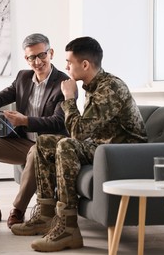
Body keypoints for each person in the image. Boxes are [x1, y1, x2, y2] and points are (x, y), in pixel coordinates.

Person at [11, 36, 147, 252]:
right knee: (44, 142)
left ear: (84, 64)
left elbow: (78, 132)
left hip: (124, 153)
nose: (65, 66)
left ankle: (68, 229)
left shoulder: (110, 88)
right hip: (105, 148)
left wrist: (68, 99)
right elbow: (84, 131)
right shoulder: (94, 86)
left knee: (66, 145)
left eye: (69, 62)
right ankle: (45, 216)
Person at [0, 33, 70, 228]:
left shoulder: (63, 83)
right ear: (26, 59)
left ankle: (18, 209)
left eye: (41, 55)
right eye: (31, 57)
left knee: (37, 151)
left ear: (51, 53)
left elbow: (58, 121)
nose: (37, 62)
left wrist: (25, 120)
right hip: (24, 143)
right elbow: (2, 97)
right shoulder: (23, 77)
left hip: (49, 147)